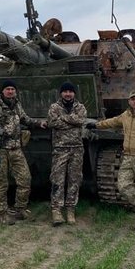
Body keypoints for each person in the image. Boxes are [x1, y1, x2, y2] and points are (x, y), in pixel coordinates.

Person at [88, 90, 135, 232]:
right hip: (128, 156)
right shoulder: (126, 115)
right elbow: (112, 122)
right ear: (129, 101)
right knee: (122, 186)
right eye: (132, 99)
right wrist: (96, 125)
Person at [0, 79, 47, 224]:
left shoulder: (16, 104)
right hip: (0, 150)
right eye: (8, 89)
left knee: (25, 179)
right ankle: (1, 213)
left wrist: (39, 123)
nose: (10, 91)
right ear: (2, 91)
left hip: (16, 148)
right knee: (1, 182)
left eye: (12, 89)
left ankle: (20, 208)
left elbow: (25, 119)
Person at [46, 81, 87, 226]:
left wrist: (62, 118)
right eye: (65, 91)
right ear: (61, 93)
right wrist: (72, 121)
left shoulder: (80, 107)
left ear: (74, 93)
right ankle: (56, 210)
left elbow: (81, 120)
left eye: (70, 91)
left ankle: (70, 209)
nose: (68, 94)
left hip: (76, 148)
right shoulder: (54, 107)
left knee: (74, 180)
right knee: (57, 179)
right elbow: (52, 123)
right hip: (60, 148)